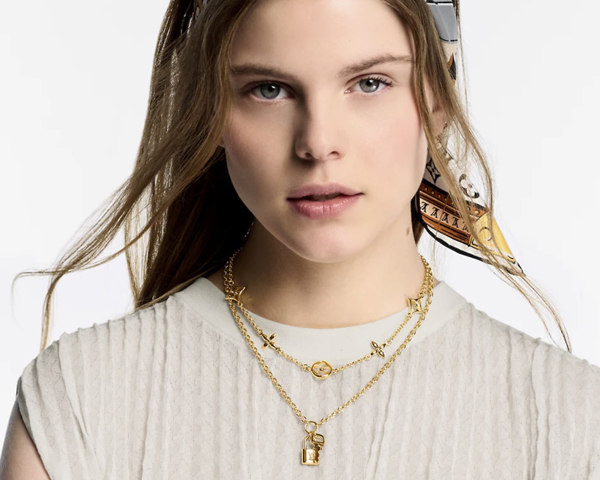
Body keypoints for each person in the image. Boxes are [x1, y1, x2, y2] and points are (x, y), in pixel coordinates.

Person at [2, 0, 599, 478]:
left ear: (438, 97)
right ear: (213, 111)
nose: (318, 143)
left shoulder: (569, 418)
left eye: (370, 83)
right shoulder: (81, 399)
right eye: (268, 89)